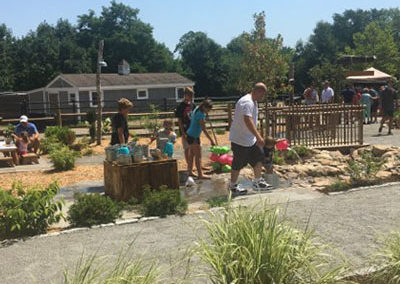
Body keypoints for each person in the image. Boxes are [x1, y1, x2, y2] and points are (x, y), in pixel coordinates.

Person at [229, 82, 270, 195]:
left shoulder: (253, 101)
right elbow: (248, 120)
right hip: (240, 139)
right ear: (257, 91)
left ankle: (257, 181)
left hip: (250, 139)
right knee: (238, 163)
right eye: (262, 94)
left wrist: (255, 137)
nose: (263, 97)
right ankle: (232, 186)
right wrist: (258, 136)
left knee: (259, 157)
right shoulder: (247, 102)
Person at [186, 99, 215, 179]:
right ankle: (200, 174)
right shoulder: (201, 115)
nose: (208, 111)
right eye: (208, 109)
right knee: (198, 156)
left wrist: (205, 115)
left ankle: (190, 171)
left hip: (190, 134)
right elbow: (204, 129)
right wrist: (211, 140)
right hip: (194, 136)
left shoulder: (197, 109)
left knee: (191, 154)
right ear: (204, 107)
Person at [175, 87, 195, 165]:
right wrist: (182, 132)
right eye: (189, 96)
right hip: (185, 129)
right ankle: (189, 165)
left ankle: (194, 164)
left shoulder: (193, 105)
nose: (191, 98)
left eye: (192, 96)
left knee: (194, 148)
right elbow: (179, 120)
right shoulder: (181, 106)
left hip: (193, 129)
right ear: (185, 95)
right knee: (187, 148)